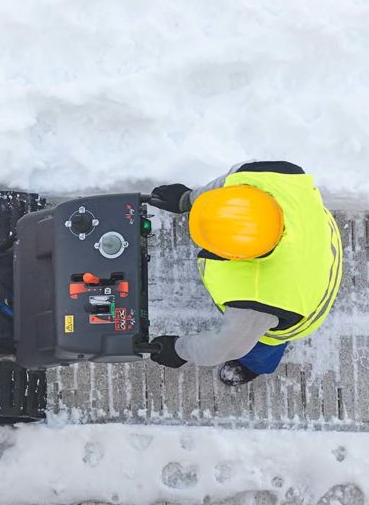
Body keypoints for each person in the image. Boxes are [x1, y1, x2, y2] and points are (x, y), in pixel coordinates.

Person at [146, 161, 342, 386]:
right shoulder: (272, 174)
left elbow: (225, 347)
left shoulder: (261, 302)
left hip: (303, 298)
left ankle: (256, 365)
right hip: (316, 233)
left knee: (265, 341)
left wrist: (178, 350)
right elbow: (226, 182)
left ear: (240, 257)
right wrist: (188, 199)